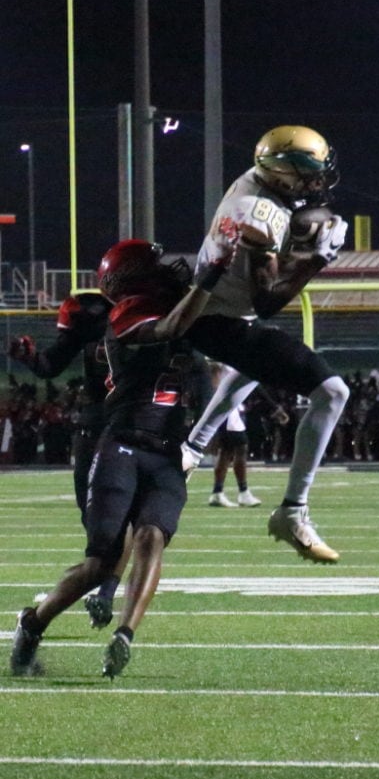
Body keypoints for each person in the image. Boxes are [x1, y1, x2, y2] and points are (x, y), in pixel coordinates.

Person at [10, 238, 234, 680]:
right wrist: (207, 280)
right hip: (122, 443)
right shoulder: (126, 315)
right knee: (100, 564)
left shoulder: (176, 312)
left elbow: (208, 373)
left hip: (169, 452)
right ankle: (33, 623)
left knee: (153, 536)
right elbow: (170, 327)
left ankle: (126, 634)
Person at [182, 125, 350, 562]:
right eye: (307, 174)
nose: (316, 183)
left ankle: (191, 448)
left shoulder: (257, 181)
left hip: (219, 310)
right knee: (332, 392)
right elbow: (269, 301)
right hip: (218, 319)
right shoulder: (261, 215)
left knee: (252, 366)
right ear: (281, 173)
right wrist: (317, 259)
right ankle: (293, 511)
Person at [8, 291, 131, 626]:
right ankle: (99, 593)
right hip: (103, 427)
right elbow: (52, 364)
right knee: (101, 529)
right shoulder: (93, 315)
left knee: (132, 522)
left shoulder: (151, 311)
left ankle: (103, 595)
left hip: (132, 427)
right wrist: (31, 358)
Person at [208, 405, 262, 507]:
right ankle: (243, 491)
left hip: (229, 410)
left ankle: (218, 491)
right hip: (228, 410)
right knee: (240, 446)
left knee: (227, 449)